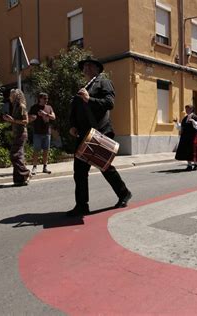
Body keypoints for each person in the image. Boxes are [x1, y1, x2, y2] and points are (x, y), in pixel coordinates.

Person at [68, 56, 132, 216]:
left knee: (105, 168)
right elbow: (76, 109)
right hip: (83, 134)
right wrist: (73, 125)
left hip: (99, 132)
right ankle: (82, 206)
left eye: (90, 65)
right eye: (84, 66)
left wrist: (90, 99)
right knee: (79, 171)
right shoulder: (84, 86)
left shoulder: (103, 82)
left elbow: (109, 103)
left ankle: (124, 193)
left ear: (97, 68)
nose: (86, 68)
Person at [3, 89, 31, 186]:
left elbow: (26, 121)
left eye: (12, 95)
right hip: (17, 134)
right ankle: (19, 179)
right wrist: (10, 120)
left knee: (14, 155)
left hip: (21, 133)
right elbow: (15, 121)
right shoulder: (14, 106)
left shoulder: (21, 106)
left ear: (16, 96)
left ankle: (26, 173)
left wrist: (13, 120)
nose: (10, 97)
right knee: (19, 156)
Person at [28, 92, 56, 175]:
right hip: (37, 132)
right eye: (44, 98)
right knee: (36, 151)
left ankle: (45, 167)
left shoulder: (49, 107)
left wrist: (45, 114)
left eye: (47, 98)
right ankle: (34, 167)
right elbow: (28, 117)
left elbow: (53, 117)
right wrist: (33, 118)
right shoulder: (34, 107)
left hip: (47, 132)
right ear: (39, 99)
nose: (46, 100)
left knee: (46, 151)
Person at [174, 105, 197, 171]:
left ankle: (196, 164)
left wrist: (193, 121)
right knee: (187, 151)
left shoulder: (195, 117)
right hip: (185, 137)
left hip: (193, 136)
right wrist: (177, 123)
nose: (186, 110)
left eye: (188, 109)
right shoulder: (185, 118)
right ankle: (189, 165)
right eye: (186, 109)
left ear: (192, 109)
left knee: (193, 150)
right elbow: (181, 127)